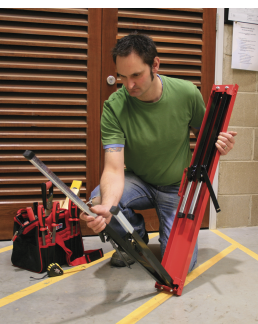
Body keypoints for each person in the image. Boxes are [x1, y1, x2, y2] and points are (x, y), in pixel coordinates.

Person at [80, 33, 237, 270]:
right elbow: (113, 169)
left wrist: (219, 144)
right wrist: (108, 210)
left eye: (136, 75)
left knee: (177, 267)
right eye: (122, 76)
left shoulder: (186, 94)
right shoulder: (114, 106)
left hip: (176, 187)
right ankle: (135, 239)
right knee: (99, 199)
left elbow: (205, 138)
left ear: (155, 65)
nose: (129, 85)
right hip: (139, 182)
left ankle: (164, 239)